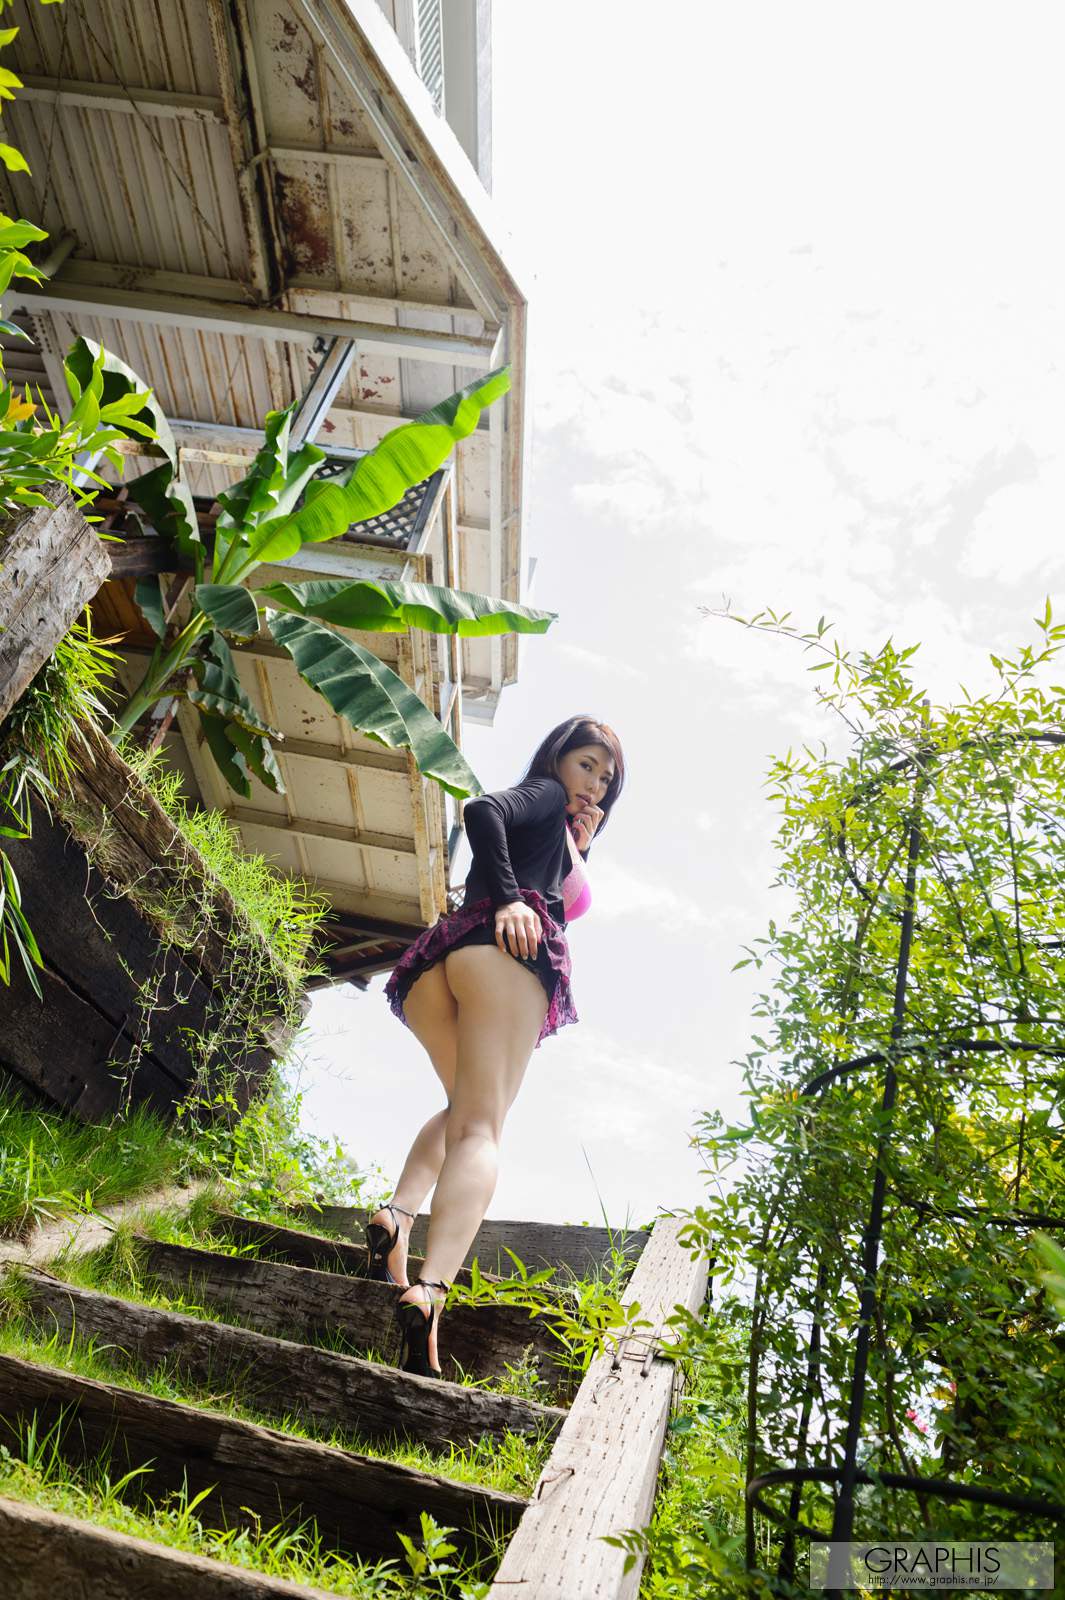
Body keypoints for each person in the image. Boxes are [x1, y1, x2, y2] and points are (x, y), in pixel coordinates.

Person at [373, 715, 625, 1377]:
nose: (594, 784)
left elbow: (553, 883)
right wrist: (513, 902)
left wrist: (577, 847)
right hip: (503, 957)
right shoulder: (543, 792)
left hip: (444, 965)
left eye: (606, 779)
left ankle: (397, 1217)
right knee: (482, 1130)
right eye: (587, 764)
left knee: (464, 1108)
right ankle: (431, 1291)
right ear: (557, 757)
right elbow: (482, 809)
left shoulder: (557, 825)